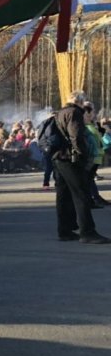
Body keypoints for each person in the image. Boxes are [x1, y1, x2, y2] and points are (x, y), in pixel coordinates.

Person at [52, 92, 110, 244]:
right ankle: (87, 232)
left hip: (58, 157)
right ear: (80, 101)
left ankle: (64, 230)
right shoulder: (75, 112)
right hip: (70, 158)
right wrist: (82, 155)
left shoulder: (60, 112)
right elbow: (75, 135)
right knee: (81, 194)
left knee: (63, 195)